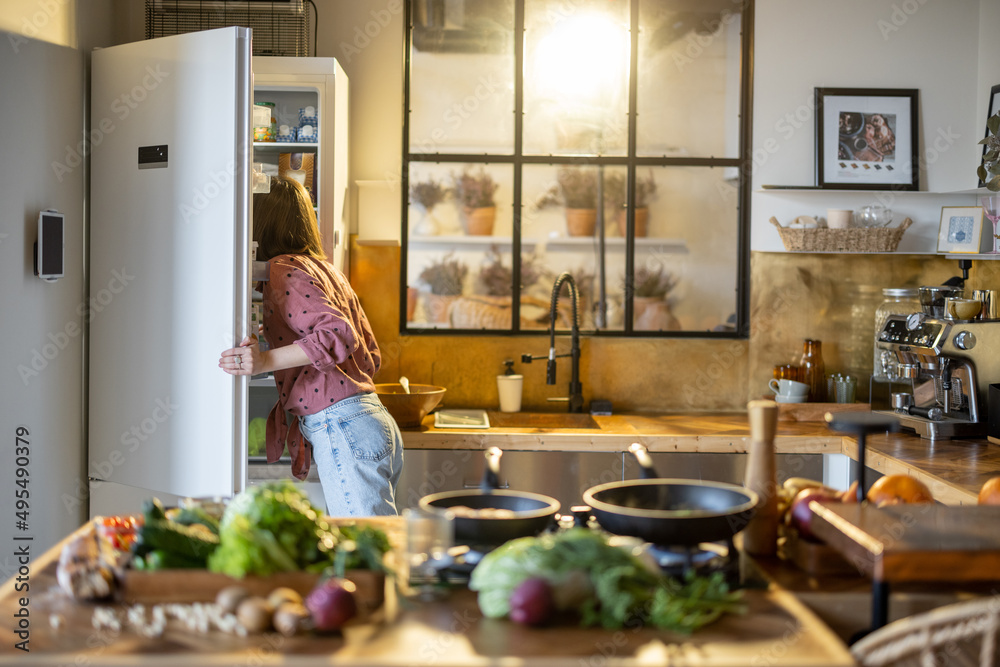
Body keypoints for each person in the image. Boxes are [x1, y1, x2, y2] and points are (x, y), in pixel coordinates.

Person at [219, 177, 402, 516]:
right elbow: (370, 355)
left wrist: (262, 362)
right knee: (375, 546)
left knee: (366, 553)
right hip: (371, 419)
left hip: (344, 425)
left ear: (259, 223)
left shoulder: (283, 269)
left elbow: (338, 334)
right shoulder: (327, 270)